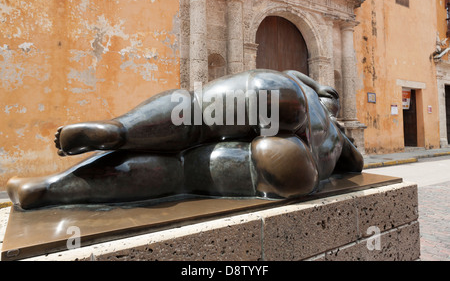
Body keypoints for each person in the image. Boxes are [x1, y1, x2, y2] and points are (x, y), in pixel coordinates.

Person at [7, 69, 363, 209]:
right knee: (180, 171)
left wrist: (313, 88)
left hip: (275, 95)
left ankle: (121, 130)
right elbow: (356, 165)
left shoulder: (297, 84)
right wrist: (340, 133)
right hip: (294, 166)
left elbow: (295, 77)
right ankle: (50, 190)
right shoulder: (335, 137)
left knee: (194, 114)